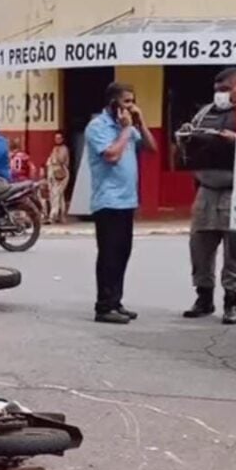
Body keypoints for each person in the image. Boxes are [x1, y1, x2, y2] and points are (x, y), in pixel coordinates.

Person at [85, 82, 157, 325]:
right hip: (108, 201)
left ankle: (116, 301)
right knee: (109, 255)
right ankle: (104, 306)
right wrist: (125, 130)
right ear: (113, 103)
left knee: (123, 254)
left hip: (127, 200)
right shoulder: (98, 127)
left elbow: (152, 148)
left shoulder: (126, 127)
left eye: (133, 101)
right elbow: (112, 156)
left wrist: (140, 122)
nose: (131, 106)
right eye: (127, 101)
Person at [179, 67, 236, 325]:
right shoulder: (204, 113)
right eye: (217, 90)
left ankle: (232, 302)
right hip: (205, 190)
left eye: (225, 90)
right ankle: (203, 297)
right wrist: (186, 135)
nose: (220, 95)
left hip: (235, 192)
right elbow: (188, 140)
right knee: (200, 247)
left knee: (235, 252)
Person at [46, 132, 71, 224]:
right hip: (53, 173)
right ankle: (61, 216)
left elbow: (61, 160)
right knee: (58, 195)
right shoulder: (54, 148)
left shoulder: (64, 149)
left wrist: (56, 153)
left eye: (59, 138)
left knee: (56, 194)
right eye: (56, 138)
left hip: (61, 173)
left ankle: (52, 216)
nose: (57, 140)